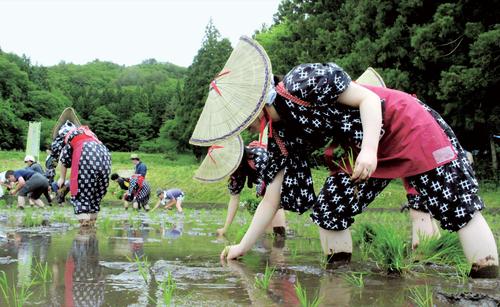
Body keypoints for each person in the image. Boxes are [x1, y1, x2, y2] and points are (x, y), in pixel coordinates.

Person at [191, 37, 498, 278]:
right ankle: (340, 280)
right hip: (354, 148)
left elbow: (369, 98)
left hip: (400, 124)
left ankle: (485, 284)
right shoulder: (278, 135)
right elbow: (271, 200)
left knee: (458, 205)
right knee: (329, 209)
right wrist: (242, 246)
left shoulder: (301, 81)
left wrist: (369, 150)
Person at [48, 108, 111, 227]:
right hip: (105, 155)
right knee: (95, 196)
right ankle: (92, 230)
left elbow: (64, 159)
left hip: (86, 154)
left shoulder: (69, 137)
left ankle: (84, 231)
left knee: (82, 195)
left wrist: (62, 178)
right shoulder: (89, 134)